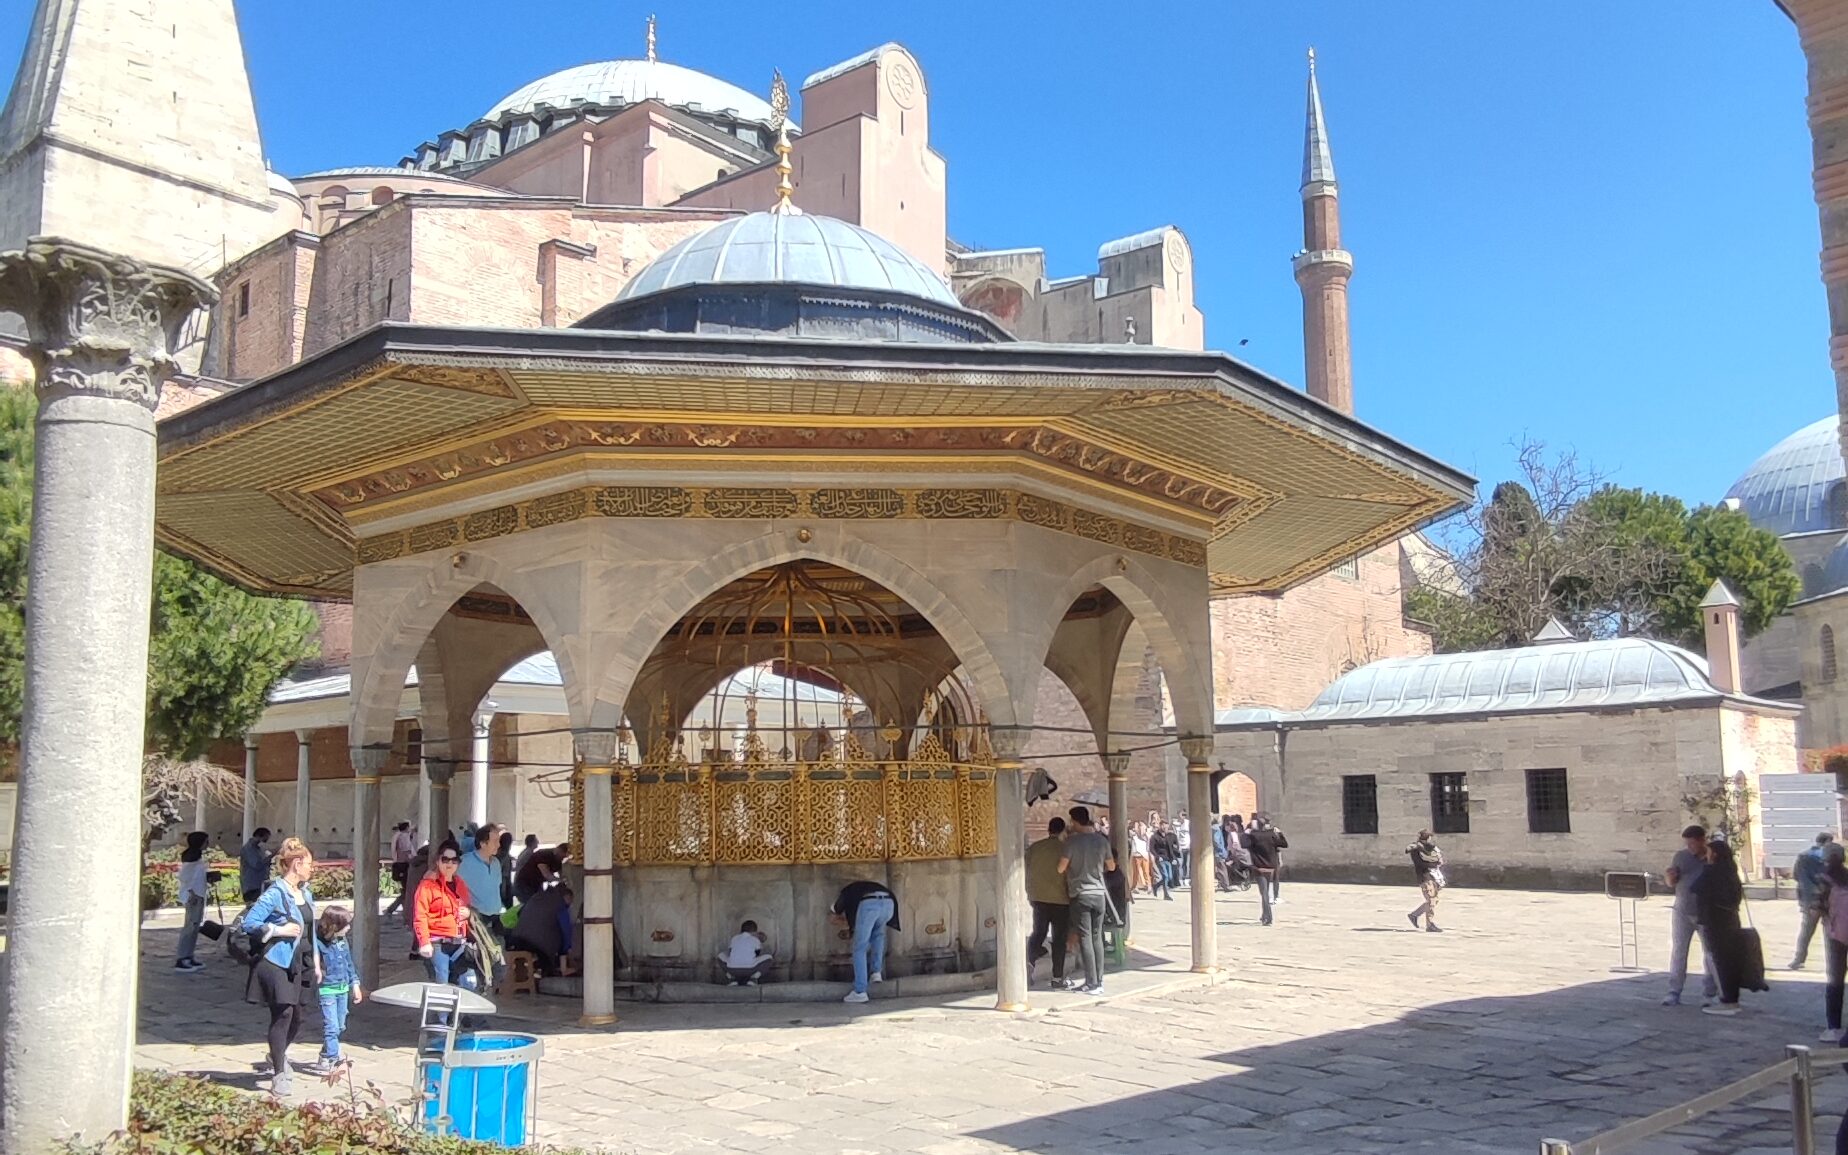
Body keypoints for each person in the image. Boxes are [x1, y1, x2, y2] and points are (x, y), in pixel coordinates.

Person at [238, 837, 319, 1099]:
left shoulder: (305, 893)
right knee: (282, 1013)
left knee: (298, 1015)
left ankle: (278, 1052)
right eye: (308, 863)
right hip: (277, 960)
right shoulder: (275, 893)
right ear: (296, 864)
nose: (311, 868)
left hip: (302, 961)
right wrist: (278, 929)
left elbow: (312, 930)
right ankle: (279, 1072)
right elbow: (249, 923)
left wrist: (316, 960)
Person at [1058, 805, 1115, 995]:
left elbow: (1060, 868)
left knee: (1085, 938)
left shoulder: (1072, 843)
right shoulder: (1101, 841)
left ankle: (1091, 982)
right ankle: (1099, 980)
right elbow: (1111, 866)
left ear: (1074, 821)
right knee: (1097, 937)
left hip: (1081, 893)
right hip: (1099, 893)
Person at [1663, 824, 1719, 1007]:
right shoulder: (1681, 856)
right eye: (1687, 844)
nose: (1690, 848)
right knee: (1679, 950)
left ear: (1703, 840)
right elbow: (1671, 882)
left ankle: (1709, 993)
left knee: (1709, 953)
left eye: (1693, 844)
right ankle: (1674, 991)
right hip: (1682, 910)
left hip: (1706, 912)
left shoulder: (1714, 857)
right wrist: (1670, 877)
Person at [1696, 836, 1751, 1016]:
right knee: (1730, 960)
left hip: (1716, 921)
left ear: (1715, 854)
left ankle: (1728, 1001)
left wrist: (1707, 867)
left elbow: (1696, 887)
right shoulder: (1731, 871)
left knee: (1721, 960)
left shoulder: (1713, 872)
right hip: (1731, 919)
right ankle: (1732, 998)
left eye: (1710, 852)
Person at [413, 839, 478, 990]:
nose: (449, 864)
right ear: (438, 861)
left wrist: (468, 913)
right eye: (445, 859)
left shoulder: (460, 883)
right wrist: (424, 942)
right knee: (442, 981)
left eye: (454, 860)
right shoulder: (427, 886)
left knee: (468, 980)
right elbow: (420, 915)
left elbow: (467, 906)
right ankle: (442, 1014)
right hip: (437, 942)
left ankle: (462, 1013)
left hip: (459, 941)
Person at [311, 906, 363, 1074]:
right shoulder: (318, 943)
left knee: (340, 1026)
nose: (348, 928)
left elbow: (349, 964)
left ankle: (325, 1054)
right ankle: (334, 1059)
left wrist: (355, 984)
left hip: (342, 988)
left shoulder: (342, 942)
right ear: (334, 926)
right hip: (327, 989)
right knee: (331, 1026)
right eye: (345, 925)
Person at [831, 879, 899, 1004]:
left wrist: (837, 916)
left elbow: (836, 910)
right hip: (889, 903)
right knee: (878, 936)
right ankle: (876, 972)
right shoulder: (862, 887)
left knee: (859, 947)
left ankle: (860, 991)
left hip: (870, 906)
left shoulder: (846, 893)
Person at [1025, 817, 1071, 987]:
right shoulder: (1065, 849)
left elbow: (1026, 869)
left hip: (1038, 897)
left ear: (1048, 829)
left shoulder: (1035, 848)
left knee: (1038, 933)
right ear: (1063, 830)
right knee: (1059, 939)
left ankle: (1029, 965)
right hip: (1060, 899)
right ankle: (1057, 978)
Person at [1815, 844, 1848, 1042]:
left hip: (1835, 934)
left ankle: (1833, 1027)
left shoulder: (1824, 879)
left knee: (1835, 979)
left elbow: (1816, 906)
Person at [509, 882, 575, 977]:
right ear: (567, 898)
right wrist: (567, 953)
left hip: (516, 938)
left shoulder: (537, 896)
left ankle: (524, 975)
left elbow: (520, 913)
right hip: (539, 946)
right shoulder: (560, 906)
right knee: (550, 966)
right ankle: (556, 971)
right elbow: (566, 933)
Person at [1794, 833, 1835, 970]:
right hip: (1827, 899)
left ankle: (1798, 959)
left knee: (1806, 931)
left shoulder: (1802, 856)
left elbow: (1795, 875)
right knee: (1830, 932)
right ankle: (1833, 962)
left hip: (1808, 900)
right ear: (1827, 842)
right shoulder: (1827, 857)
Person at [456, 822, 507, 926]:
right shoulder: (464, 862)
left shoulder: (496, 863)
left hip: (497, 918)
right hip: (477, 919)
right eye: (495, 841)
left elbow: (496, 890)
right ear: (483, 843)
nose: (499, 845)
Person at [175, 831, 211, 973]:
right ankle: (181, 958)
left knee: (195, 927)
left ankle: (189, 955)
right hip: (193, 896)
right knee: (189, 928)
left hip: (198, 895)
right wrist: (192, 893)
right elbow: (186, 878)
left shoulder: (197, 858)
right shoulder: (191, 859)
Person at [1247, 816, 1287, 926]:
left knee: (1264, 893)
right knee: (1265, 891)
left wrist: (1247, 833)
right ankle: (1264, 915)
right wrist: (1279, 833)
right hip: (1270, 867)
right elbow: (1284, 844)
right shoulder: (1272, 835)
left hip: (1259, 867)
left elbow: (1243, 844)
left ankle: (1268, 917)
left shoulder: (1253, 835)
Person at [1407, 830, 1445, 933]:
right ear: (1427, 838)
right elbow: (1421, 863)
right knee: (1431, 899)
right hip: (1425, 876)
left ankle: (1414, 915)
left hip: (1433, 875)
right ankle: (1430, 924)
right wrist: (1435, 863)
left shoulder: (1429, 848)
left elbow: (1437, 856)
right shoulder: (1416, 849)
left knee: (1434, 900)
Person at [719, 919, 774, 986]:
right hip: (750, 969)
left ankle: (732, 978)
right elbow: (758, 953)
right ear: (754, 931)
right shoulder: (755, 939)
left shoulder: (734, 938)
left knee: (720, 956)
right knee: (769, 958)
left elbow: (730, 952)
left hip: (732, 969)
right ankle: (753, 978)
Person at [383, 822, 416, 921]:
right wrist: (413, 860)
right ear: (406, 828)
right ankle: (394, 909)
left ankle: (401, 910)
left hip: (398, 864)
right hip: (403, 865)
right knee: (407, 890)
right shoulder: (403, 836)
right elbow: (406, 850)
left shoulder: (396, 835)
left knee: (405, 891)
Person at [239, 827, 274, 904]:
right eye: (265, 840)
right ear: (259, 837)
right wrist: (272, 855)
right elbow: (257, 865)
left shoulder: (259, 849)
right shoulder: (248, 848)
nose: (265, 842)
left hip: (261, 884)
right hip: (252, 886)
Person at [1148, 820, 1177, 901]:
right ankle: (1166, 894)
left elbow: (1171, 848)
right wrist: (1157, 856)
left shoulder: (1168, 836)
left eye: (1166, 826)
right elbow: (1151, 849)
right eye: (1163, 826)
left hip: (1168, 858)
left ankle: (1156, 885)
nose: (1165, 828)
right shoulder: (1154, 837)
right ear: (1160, 826)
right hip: (1160, 858)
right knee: (1165, 876)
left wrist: (1173, 858)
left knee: (1170, 877)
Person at [495, 830, 517, 910]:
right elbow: (503, 874)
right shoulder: (503, 855)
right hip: (503, 883)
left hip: (501, 882)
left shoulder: (499, 853)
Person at [1129, 822, 1153, 895]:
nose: (1140, 828)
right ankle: (1134, 886)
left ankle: (1148, 886)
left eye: (1141, 826)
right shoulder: (1133, 834)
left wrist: (1146, 832)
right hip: (1136, 855)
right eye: (1139, 826)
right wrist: (1135, 828)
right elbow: (1132, 833)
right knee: (1136, 872)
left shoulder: (1147, 835)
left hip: (1144, 854)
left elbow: (1147, 842)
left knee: (1146, 871)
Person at [1174, 813, 1191, 887]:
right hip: (1179, 845)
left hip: (1188, 845)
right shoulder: (1175, 823)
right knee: (1180, 863)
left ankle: (1186, 879)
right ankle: (1180, 879)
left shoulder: (1188, 823)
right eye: (1181, 815)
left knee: (1187, 863)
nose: (1182, 816)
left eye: (1184, 815)